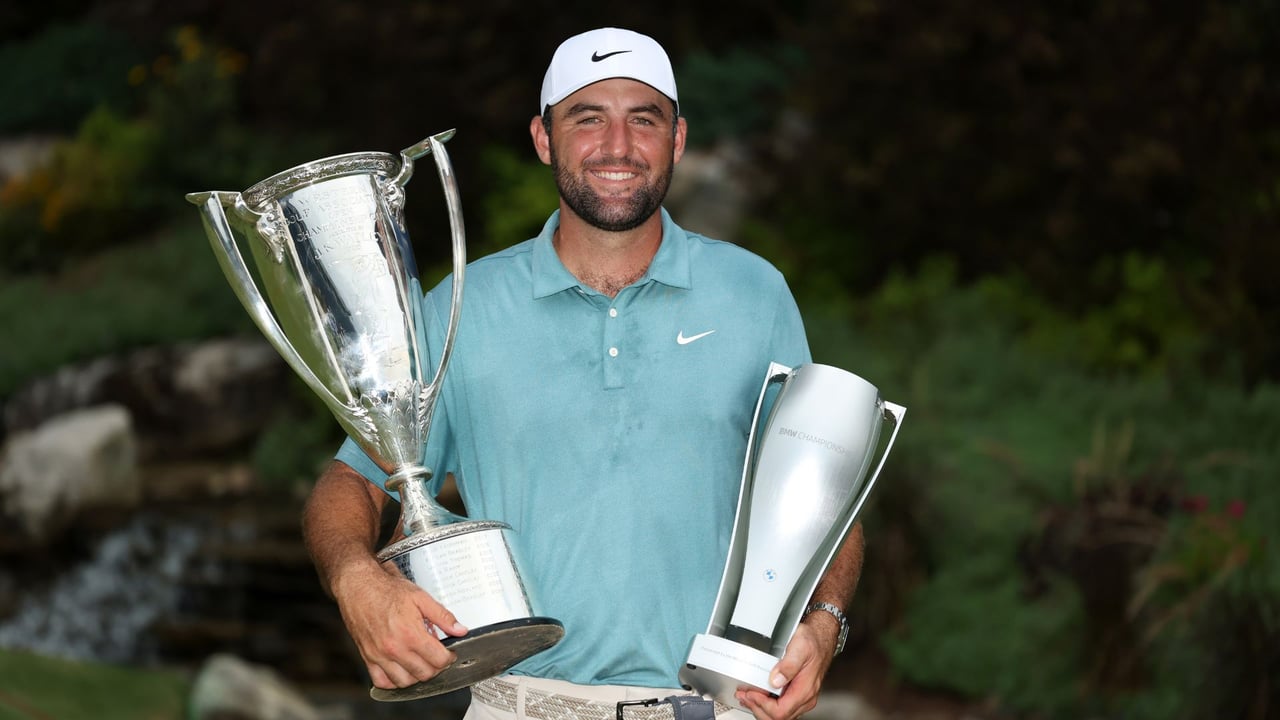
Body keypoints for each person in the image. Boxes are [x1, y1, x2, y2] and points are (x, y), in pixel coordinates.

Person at [302, 26, 864, 720]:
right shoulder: (460, 310)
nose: (618, 146)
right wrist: (355, 577)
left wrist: (826, 621)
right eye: (588, 118)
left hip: (720, 710)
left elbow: (828, 489)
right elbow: (353, 477)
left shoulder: (754, 294)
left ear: (678, 140)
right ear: (544, 139)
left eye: (644, 119)